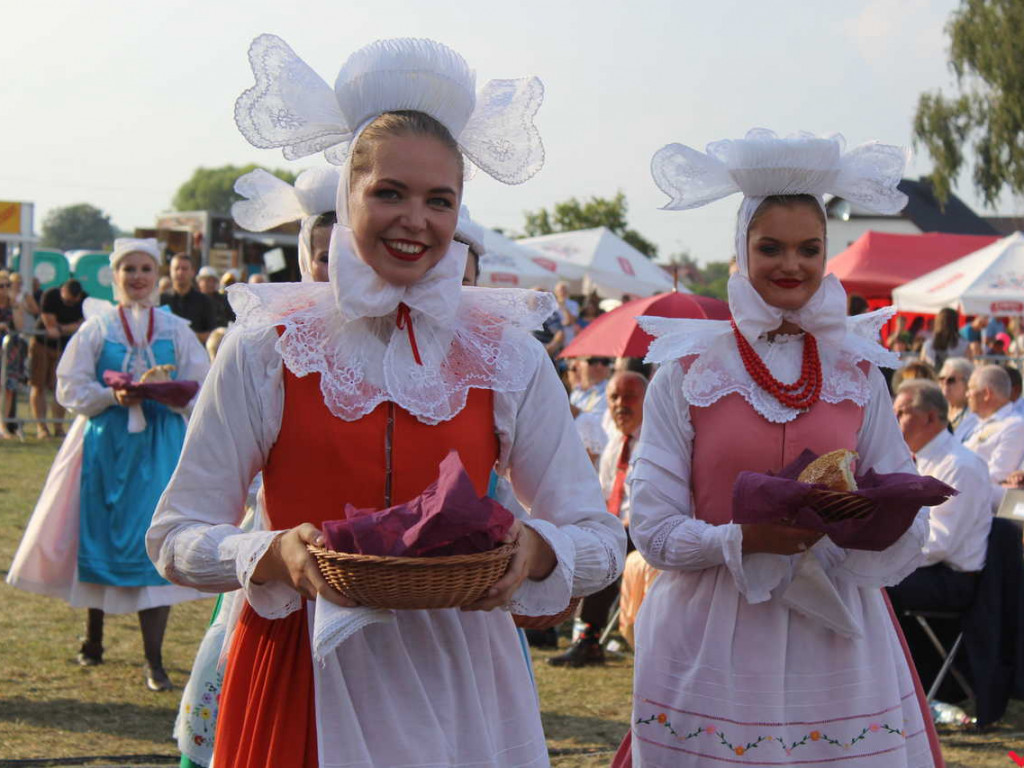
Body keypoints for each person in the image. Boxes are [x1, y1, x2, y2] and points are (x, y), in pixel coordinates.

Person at [147, 35, 624, 768]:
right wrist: (271, 552)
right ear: (347, 199)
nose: (416, 220)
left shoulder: (507, 354)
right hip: (303, 667)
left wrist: (537, 548)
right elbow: (175, 536)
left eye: (440, 200)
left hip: (461, 678)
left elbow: (597, 537)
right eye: (389, 193)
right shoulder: (267, 348)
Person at [621, 129, 941, 766]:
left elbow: (907, 501)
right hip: (712, 631)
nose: (790, 265)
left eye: (808, 248)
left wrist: (872, 515)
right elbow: (651, 527)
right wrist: (742, 539)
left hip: (837, 629)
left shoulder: (857, 372)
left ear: (827, 255)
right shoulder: (687, 372)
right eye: (770, 247)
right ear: (740, 252)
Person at [7, 238, 209, 691]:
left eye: (144, 269)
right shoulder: (98, 329)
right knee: (99, 530)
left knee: (153, 536)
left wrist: (172, 394)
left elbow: (202, 382)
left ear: (155, 275)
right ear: (115, 276)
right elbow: (69, 386)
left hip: (158, 444)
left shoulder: (175, 328)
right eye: (128, 269)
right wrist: (109, 396)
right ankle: (93, 638)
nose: (137, 277)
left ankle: (153, 660)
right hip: (104, 443)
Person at [888, 380, 989, 688]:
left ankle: (896, 685)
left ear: (930, 417)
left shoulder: (960, 465)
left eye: (902, 412)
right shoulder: (915, 461)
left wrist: (883, 553)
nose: (894, 420)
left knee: (871, 587)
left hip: (950, 579)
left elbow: (940, 543)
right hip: (925, 568)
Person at [550, 370, 647, 667]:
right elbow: (603, 496)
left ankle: (588, 641)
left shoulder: (656, 444)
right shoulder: (615, 444)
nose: (620, 405)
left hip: (646, 530)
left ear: (647, 401)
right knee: (587, 541)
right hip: (619, 526)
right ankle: (563, 630)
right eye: (614, 398)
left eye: (629, 397)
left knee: (608, 550)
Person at [30, 278, 86, 438]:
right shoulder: (50, 295)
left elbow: (83, 324)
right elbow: (50, 326)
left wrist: (62, 328)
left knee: (60, 387)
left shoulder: (85, 300)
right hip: (42, 345)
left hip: (65, 349)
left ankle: (58, 427)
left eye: (72, 302)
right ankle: (41, 428)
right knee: (38, 385)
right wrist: (70, 327)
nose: (69, 304)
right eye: (66, 301)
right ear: (62, 292)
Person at [963, 364, 1024, 512]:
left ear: (986, 394)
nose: (967, 394)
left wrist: (956, 480)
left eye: (971, 389)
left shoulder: (1014, 425)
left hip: (975, 499)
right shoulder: (972, 420)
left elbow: (997, 474)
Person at [161, 254, 216, 344]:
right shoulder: (161, 300)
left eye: (184, 269)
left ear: (192, 272)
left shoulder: (204, 301)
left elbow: (212, 335)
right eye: (176, 268)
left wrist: (188, 335)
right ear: (170, 271)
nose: (180, 272)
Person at [0, 270, 27, 438]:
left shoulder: (14, 305)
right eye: (1, 285)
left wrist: (15, 303)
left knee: (9, 388)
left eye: (7, 285)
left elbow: (20, 325)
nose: (3, 289)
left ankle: (5, 423)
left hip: (11, 352)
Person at [938, 357, 978, 441]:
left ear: (968, 383)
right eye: (941, 379)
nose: (945, 384)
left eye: (951, 380)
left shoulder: (976, 415)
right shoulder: (935, 410)